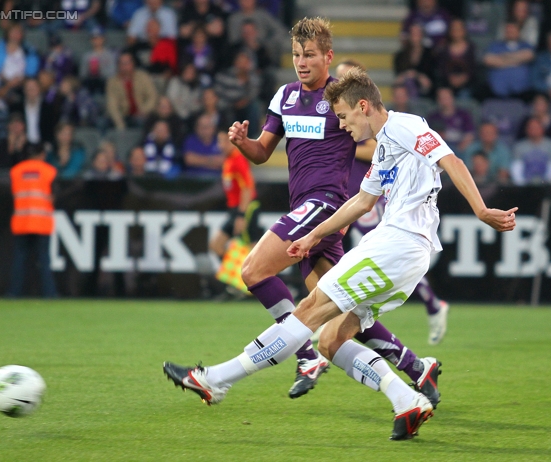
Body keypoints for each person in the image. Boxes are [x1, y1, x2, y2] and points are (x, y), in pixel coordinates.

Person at [163, 67, 518, 440]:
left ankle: (214, 380)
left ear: (363, 106)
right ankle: (406, 400)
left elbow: (452, 161)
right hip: (408, 253)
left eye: (345, 118)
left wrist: (481, 210)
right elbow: (361, 202)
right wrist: (312, 236)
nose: (343, 127)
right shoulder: (384, 147)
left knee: (308, 311)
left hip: (397, 244)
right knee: (333, 339)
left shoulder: (405, 125)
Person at [210, 18, 442, 401]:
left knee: (252, 270)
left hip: (324, 205)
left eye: (310, 55)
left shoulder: (339, 98)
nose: (302, 62)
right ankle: (416, 367)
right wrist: (242, 142)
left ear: (328, 57)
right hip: (309, 209)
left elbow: (371, 127)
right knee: (336, 307)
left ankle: (304, 356)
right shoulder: (284, 97)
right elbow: (263, 152)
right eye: (297, 55)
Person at [336, 60, 450, 346]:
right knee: (360, 253)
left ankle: (332, 313)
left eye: (344, 77)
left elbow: (377, 150)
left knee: (372, 253)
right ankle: (337, 315)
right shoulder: (345, 117)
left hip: (376, 200)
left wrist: (346, 149)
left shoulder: (385, 127)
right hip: (357, 194)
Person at [7, 142, 58, 298]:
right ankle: (49, 294)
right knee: (44, 260)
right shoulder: (49, 171)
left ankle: (13, 293)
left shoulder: (16, 171)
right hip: (41, 221)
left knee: (19, 260)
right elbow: (53, 195)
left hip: (21, 221)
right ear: (42, 154)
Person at [209, 130, 262, 259]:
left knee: (252, 250)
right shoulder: (228, 160)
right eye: (220, 141)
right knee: (216, 245)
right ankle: (237, 275)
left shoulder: (238, 159)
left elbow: (248, 188)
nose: (222, 145)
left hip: (245, 208)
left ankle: (262, 277)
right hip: (236, 209)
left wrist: (241, 215)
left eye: (225, 141)